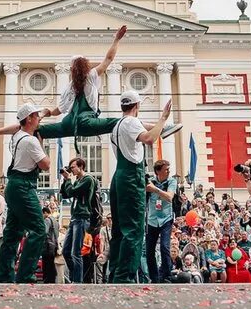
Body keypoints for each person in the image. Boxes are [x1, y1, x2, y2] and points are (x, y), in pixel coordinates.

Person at [0, 27, 181, 146]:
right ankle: (162, 128)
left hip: (69, 124)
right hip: (88, 122)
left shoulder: (69, 88)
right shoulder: (90, 76)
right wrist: (116, 39)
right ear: (85, 65)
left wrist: (42, 113)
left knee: (30, 128)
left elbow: (56, 110)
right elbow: (108, 59)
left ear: (71, 70)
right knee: (124, 121)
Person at [108, 91, 172, 283]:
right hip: (131, 177)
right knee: (134, 230)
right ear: (137, 105)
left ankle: (115, 274)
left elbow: (150, 129)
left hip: (118, 177)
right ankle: (125, 277)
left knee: (119, 230)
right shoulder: (132, 122)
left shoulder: (117, 125)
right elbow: (149, 138)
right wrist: (163, 117)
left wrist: (163, 126)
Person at [0, 103, 51, 283]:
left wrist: (42, 113)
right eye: (36, 116)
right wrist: (42, 146)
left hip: (13, 185)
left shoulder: (16, 136)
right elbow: (46, 164)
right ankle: (26, 274)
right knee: (38, 229)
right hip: (24, 186)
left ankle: (5, 276)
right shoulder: (31, 140)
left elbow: (21, 126)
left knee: (12, 234)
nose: (38, 119)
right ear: (29, 119)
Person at [59, 157, 96, 283]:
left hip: (82, 217)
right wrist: (65, 180)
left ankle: (78, 281)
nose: (71, 170)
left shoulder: (88, 179)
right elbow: (65, 194)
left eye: (73, 167)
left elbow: (73, 192)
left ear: (81, 167)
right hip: (74, 218)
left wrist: (68, 180)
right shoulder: (78, 180)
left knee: (76, 252)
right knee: (65, 251)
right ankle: (75, 277)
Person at [145, 159, 176, 284]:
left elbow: (169, 197)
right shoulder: (150, 182)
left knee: (164, 247)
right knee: (149, 250)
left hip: (166, 219)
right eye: (166, 169)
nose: (168, 171)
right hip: (152, 220)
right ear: (158, 171)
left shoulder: (171, 181)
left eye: (169, 169)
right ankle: (154, 278)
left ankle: (166, 276)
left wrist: (155, 190)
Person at [41, 207, 59, 284]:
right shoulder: (55, 221)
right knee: (51, 263)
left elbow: (44, 232)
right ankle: (52, 279)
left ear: (45, 212)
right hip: (54, 245)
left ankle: (47, 280)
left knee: (46, 264)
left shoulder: (47, 220)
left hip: (47, 245)